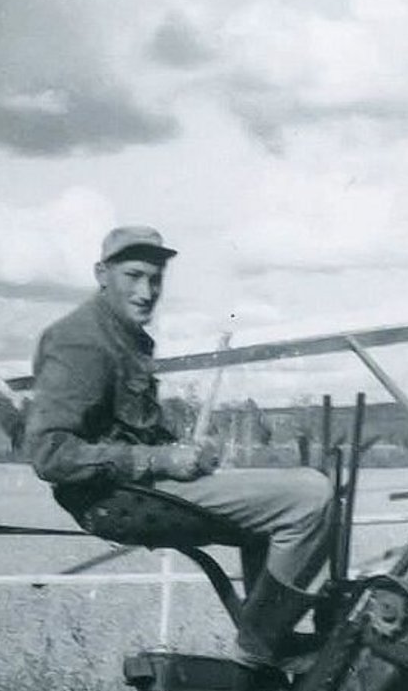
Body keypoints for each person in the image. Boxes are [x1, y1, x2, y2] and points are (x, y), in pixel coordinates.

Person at [25, 225, 334, 665]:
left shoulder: (126, 337)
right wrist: (162, 458)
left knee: (292, 491)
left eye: (156, 279)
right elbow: (50, 453)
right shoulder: (79, 339)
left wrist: (184, 449)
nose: (146, 290)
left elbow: (132, 430)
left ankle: (268, 645)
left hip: (137, 488)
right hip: (117, 498)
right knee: (311, 497)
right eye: (134, 275)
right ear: (101, 273)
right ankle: (261, 650)